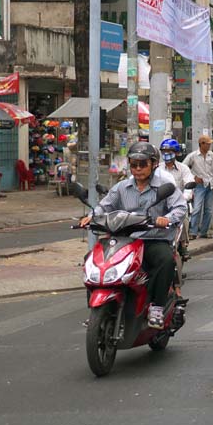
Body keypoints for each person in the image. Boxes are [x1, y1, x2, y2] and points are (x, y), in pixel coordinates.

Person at [79, 141, 187, 329]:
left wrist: (166, 219)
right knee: (93, 259)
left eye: (142, 164)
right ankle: (97, 310)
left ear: (153, 164)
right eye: (133, 164)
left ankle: (157, 307)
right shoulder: (121, 187)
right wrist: (91, 217)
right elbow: (105, 205)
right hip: (126, 239)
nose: (137, 169)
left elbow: (180, 207)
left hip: (153, 239)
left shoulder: (165, 185)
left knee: (165, 260)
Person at [184, 135, 213, 238]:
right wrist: (194, 177)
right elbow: (183, 167)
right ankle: (193, 232)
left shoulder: (211, 155)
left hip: (210, 185)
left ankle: (204, 231)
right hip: (199, 186)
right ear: (201, 144)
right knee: (197, 209)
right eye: (207, 144)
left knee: (208, 210)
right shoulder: (193, 156)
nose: (209, 146)